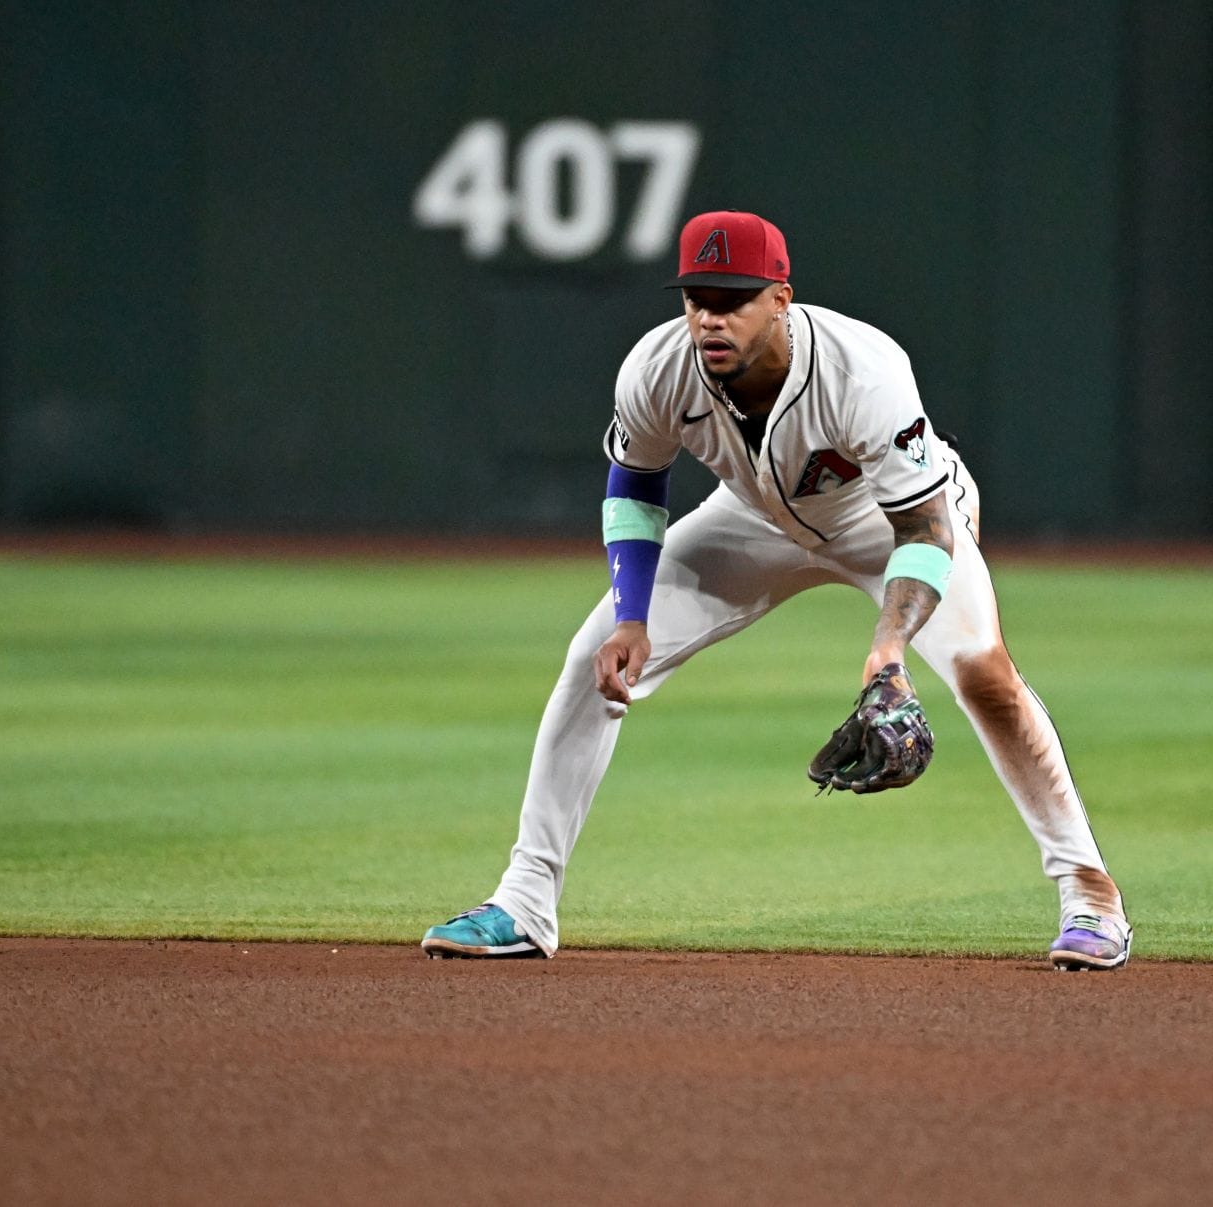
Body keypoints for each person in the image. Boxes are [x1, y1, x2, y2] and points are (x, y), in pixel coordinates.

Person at [422, 210, 1131, 971]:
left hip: (888, 519)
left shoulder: (864, 371)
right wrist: (631, 616)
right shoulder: (658, 367)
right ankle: (524, 901)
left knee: (982, 673)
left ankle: (1091, 896)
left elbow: (925, 531)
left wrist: (888, 652)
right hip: (752, 518)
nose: (709, 317)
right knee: (591, 660)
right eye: (697, 297)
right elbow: (634, 486)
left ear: (781, 298)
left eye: (732, 298)